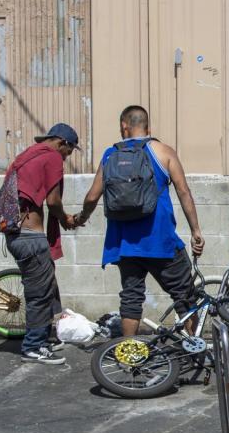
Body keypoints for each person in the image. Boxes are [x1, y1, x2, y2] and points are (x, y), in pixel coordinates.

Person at [78, 105, 205, 337]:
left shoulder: (110, 155)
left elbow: (92, 196)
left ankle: (129, 353)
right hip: (161, 241)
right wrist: (196, 230)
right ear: (148, 126)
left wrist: (80, 218)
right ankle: (195, 349)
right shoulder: (164, 151)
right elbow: (184, 191)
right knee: (184, 295)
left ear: (124, 127)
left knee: (131, 296)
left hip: (125, 244)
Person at [4, 123, 80, 364]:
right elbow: (53, 201)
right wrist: (65, 218)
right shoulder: (52, 157)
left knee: (47, 286)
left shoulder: (26, 156)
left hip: (16, 235)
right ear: (62, 143)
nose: (67, 157)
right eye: (69, 151)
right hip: (30, 236)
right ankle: (33, 346)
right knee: (39, 293)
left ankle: (44, 338)